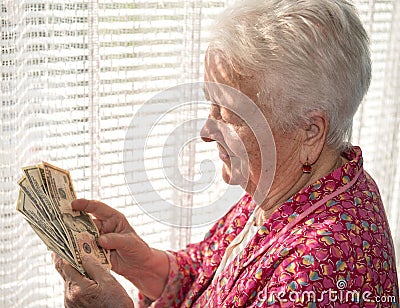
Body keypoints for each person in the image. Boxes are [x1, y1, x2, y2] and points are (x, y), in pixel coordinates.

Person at [53, 0, 399, 307]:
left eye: (230, 114)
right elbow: (211, 274)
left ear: (310, 131)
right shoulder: (290, 183)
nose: (206, 130)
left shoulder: (325, 267)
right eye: (211, 103)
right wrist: (145, 265)